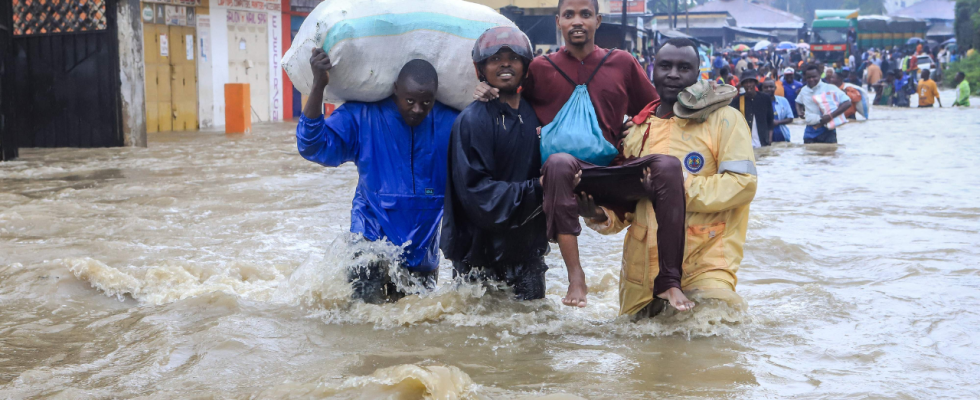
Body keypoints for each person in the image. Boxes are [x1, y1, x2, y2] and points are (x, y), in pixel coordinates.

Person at [475, 0, 691, 311]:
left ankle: (669, 281)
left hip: (611, 174)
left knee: (668, 167)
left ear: (598, 21)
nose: (578, 21)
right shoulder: (539, 68)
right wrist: (483, 89)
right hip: (563, 177)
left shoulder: (622, 62)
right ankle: (576, 276)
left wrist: (634, 126)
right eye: (569, 15)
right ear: (558, 21)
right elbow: (509, 95)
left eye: (585, 14)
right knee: (559, 162)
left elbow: (654, 108)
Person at [582, 40, 756, 317]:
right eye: (666, 66)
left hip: (705, 265)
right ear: (653, 71)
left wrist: (674, 188)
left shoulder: (725, 119)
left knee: (710, 339)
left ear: (698, 73)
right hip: (640, 276)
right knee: (642, 355)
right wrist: (600, 214)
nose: (673, 74)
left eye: (684, 67)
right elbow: (628, 206)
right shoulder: (636, 130)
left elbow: (742, 185)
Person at [296, 50, 459, 304]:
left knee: (417, 333)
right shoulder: (363, 117)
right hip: (369, 246)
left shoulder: (452, 124)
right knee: (365, 327)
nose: (417, 110)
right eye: (409, 101)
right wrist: (318, 84)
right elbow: (312, 145)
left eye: (426, 103)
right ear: (395, 89)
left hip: (422, 255)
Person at [442, 27, 550, 301]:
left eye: (513, 58)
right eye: (495, 58)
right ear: (481, 69)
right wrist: (537, 188)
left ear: (526, 66)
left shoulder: (537, 114)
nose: (505, 63)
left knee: (533, 334)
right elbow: (477, 194)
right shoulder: (472, 121)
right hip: (478, 256)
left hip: (527, 255)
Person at [796, 63, 852, 144]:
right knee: (808, 154)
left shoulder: (830, 88)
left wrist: (830, 116)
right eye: (809, 77)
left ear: (820, 75)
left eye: (814, 77)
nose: (811, 79)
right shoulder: (804, 90)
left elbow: (847, 102)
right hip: (810, 130)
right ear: (805, 77)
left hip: (827, 129)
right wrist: (799, 112)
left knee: (829, 154)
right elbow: (798, 101)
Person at [731, 69, 774, 147]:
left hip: (763, 142)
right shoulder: (737, 101)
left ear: (755, 83)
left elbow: (770, 120)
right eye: (745, 82)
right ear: (742, 85)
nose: (748, 85)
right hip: (745, 144)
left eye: (750, 82)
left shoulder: (765, 98)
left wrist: (770, 139)